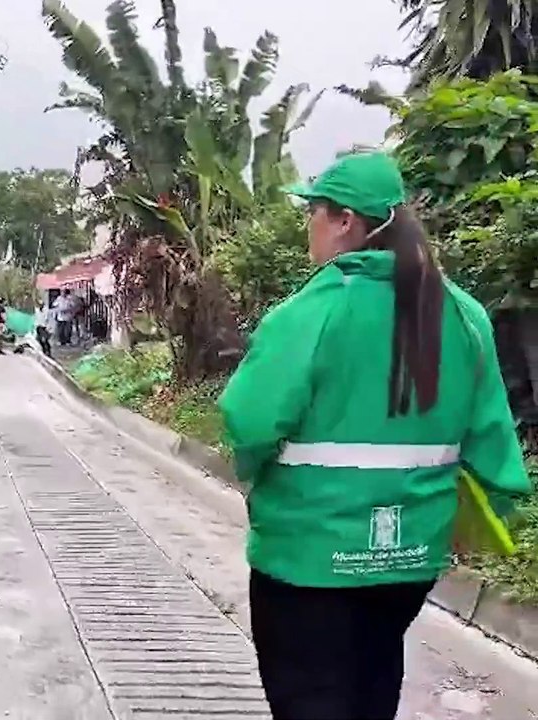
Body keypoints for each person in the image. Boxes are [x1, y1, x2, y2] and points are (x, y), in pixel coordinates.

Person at [218, 152, 531, 720]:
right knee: (372, 688)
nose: (308, 224)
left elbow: (249, 420)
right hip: (409, 559)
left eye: (313, 211)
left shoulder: (313, 312)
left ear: (345, 221)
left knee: (313, 699)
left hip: (308, 557)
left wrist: (254, 473)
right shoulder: (461, 314)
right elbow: (492, 442)